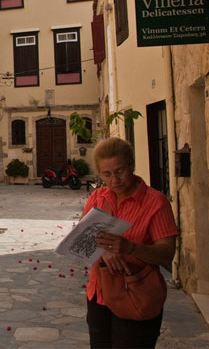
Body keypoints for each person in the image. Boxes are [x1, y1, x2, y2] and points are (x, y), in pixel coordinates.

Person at [82, 137, 178, 348]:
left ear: (131, 166)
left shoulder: (155, 202)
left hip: (137, 295)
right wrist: (103, 252)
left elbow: (166, 254)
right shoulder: (98, 198)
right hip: (99, 294)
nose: (114, 179)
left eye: (120, 171)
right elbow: (84, 239)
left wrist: (131, 248)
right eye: (107, 174)